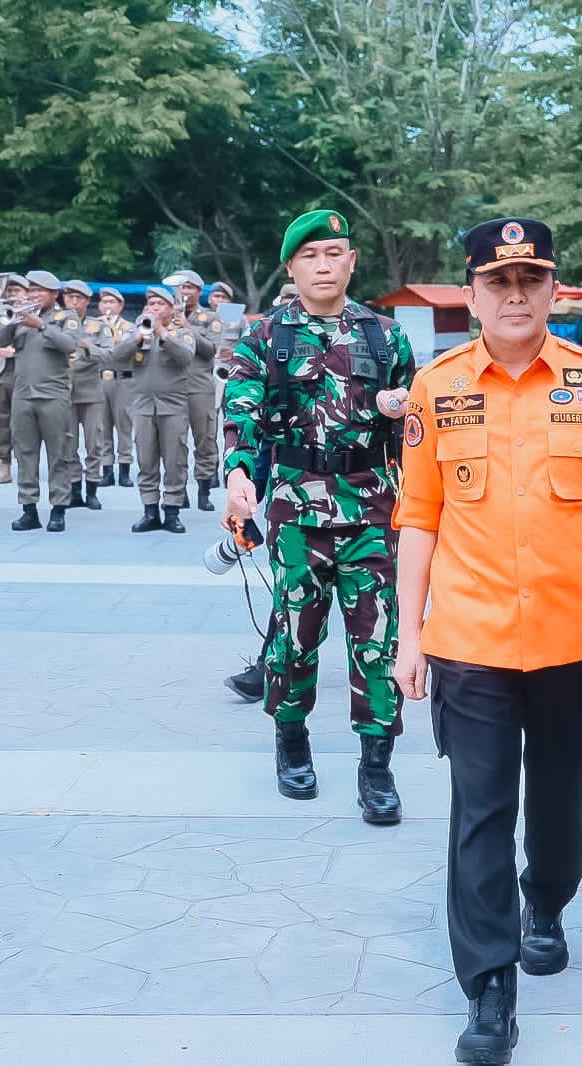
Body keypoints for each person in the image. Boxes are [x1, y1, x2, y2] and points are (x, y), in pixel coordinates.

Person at [392, 216, 582, 1065]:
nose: (515, 295)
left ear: (553, 291)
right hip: (470, 640)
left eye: (530, 280)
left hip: (575, 639)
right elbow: (418, 518)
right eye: (497, 282)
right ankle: (490, 989)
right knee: (480, 808)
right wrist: (408, 637)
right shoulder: (436, 387)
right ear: (471, 296)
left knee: (559, 796)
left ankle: (547, 898)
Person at [219, 209, 413, 823]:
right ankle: (292, 742)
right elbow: (240, 414)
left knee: (377, 640)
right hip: (298, 512)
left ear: (352, 262)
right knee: (296, 635)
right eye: (310, 256)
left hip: (374, 510)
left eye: (334, 253)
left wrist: (400, 407)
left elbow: (415, 427)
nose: (323, 265)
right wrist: (238, 475)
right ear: (291, 267)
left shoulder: (386, 337)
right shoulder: (265, 337)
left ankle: (376, 766)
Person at [0, 270, 79, 533]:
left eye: (40, 290)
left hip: (53, 395)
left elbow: (70, 345)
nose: (33, 295)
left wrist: (41, 325)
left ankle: (58, 509)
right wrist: (12, 321)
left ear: (54, 294)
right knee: (25, 453)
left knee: (59, 454)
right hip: (23, 395)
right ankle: (28, 509)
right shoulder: (21, 318)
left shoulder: (66, 317)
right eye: (31, 290)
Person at [113, 286, 193, 533]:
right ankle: (150, 511)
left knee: (175, 460)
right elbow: (117, 356)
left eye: (160, 304)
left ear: (171, 309)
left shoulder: (182, 333)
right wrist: (137, 338)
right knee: (145, 459)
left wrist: (162, 333)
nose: (154, 308)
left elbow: (186, 357)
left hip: (173, 406)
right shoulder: (136, 332)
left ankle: (172, 511)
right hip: (143, 406)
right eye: (151, 304)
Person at [168, 269, 221, 511]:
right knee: (174, 443)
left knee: (205, 440)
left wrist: (188, 327)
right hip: (172, 387)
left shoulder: (210, 318)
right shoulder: (167, 315)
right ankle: (178, 492)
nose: (184, 292)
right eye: (180, 288)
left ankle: (204, 491)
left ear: (199, 291)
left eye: (189, 287)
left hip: (199, 386)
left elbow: (210, 350)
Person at [60, 279, 107, 511]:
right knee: (67, 443)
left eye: (78, 298)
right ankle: (74, 488)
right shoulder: (56, 322)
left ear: (87, 301)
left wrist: (88, 347)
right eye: (69, 297)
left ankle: (92, 489)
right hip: (64, 391)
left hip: (90, 391)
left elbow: (109, 355)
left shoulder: (98, 326)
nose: (74, 302)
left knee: (94, 443)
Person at [0, 273, 27, 485]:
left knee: (22, 423)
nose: (11, 295)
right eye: (8, 291)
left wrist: (14, 353)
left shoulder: (32, 316)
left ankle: (26, 466)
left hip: (20, 374)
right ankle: (3, 467)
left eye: (16, 291)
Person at [94, 287, 134, 488]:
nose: (107, 306)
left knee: (124, 425)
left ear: (120, 305)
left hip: (123, 380)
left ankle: (125, 469)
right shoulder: (94, 326)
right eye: (104, 302)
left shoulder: (130, 327)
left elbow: (124, 351)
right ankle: (107, 469)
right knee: (102, 426)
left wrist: (111, 330)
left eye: (111, 302)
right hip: (100, 379)